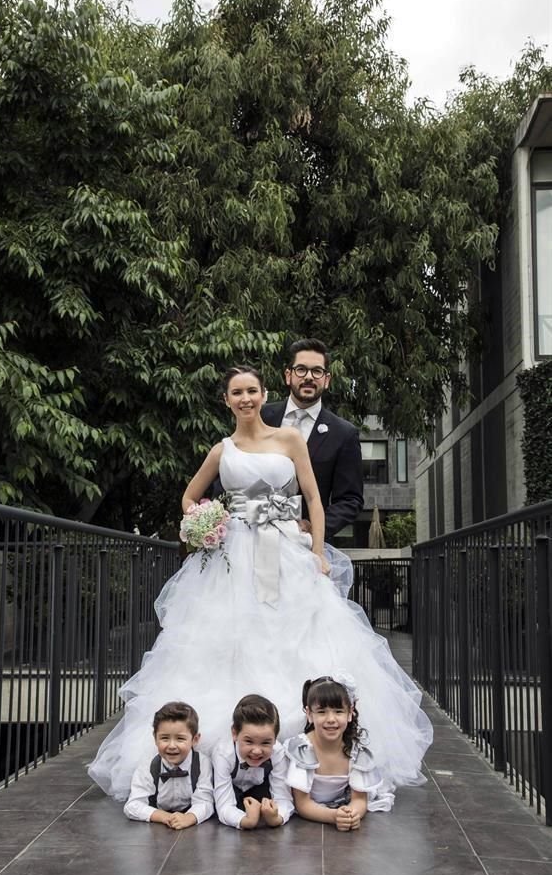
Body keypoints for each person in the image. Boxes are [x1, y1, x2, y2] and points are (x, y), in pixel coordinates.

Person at [87, 365, 432, 802]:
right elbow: (190, 496)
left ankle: (305, 751)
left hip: (286, 548)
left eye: (252, 390)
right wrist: (205, 524)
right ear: (227, 400)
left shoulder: (289, 440)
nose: (246, 398)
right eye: (237, 392)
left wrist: (318, 553)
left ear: (264, 393)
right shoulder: (222, 449)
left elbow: (313, 500)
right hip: (234, 554)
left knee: (294, 634)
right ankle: (228, 753)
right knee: (229, 638)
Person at [261, 338, 363, 543]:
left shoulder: (344, 434)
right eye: (301, 369)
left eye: (317, 371)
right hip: (251, 537)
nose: (308, 377)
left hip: (306, 546)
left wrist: (313, 527)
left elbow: (350, 500)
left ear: (326, 380)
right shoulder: (261, 417)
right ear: (288, 375)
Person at [285, 676, 394, 832]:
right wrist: (333, 816)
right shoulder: (302, 749)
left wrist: (351, 815)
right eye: (322, 712)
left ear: (350, 713)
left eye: (338, 711)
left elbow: (359, 799)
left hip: (341, 802)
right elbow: (302, 804)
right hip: (312, 808)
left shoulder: (355, 753)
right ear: (309, 714)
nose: (331, 719)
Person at [123, 701, 214, 828]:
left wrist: (190, 817)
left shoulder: (202, 764)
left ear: (195, 740)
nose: (171, 746)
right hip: (158, 822)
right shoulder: (148, 765)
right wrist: (163, 816)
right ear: (155, 738)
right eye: (164, 738)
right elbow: (132, 806)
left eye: (180, 739)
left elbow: (206, 801)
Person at [212, 694, 294, 830]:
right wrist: (245, 821)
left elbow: (283, 797)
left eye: (266, 743)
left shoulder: (278, 752)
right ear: (234, 733)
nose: (256, 751)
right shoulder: (223, 754)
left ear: (275, 738)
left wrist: (276, 817)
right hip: (232, 792)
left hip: (261, 791)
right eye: (249, 741)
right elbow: (224, 805)